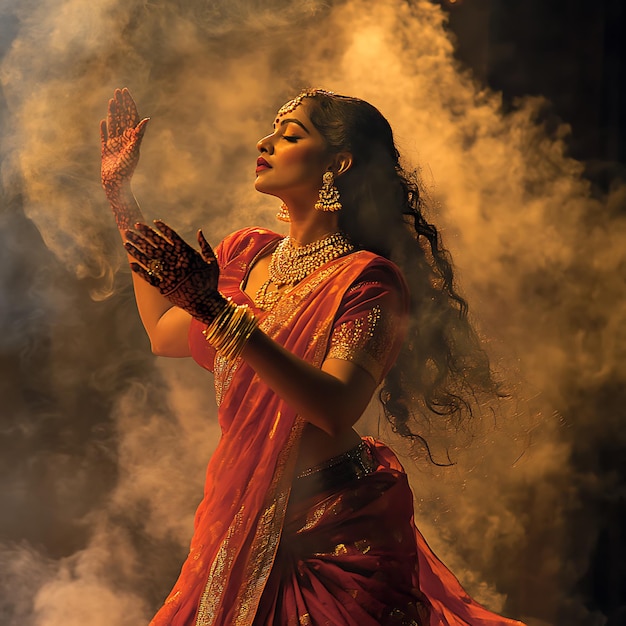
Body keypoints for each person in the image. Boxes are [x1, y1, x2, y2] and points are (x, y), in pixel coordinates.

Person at [100, 87, 525, 626]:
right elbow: (163, 331)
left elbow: (333, 406)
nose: (266, 140)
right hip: (244, 518)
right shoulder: (244, 255)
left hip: (335, 535)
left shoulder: (368, 280)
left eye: (290, 133)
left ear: (337, 163)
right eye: (272, 130)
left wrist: (216, 309)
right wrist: (121, 197)